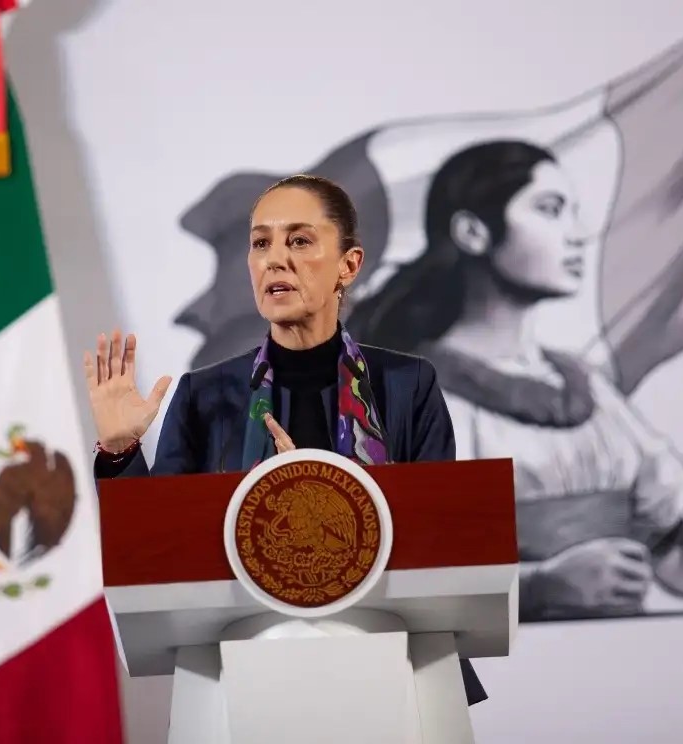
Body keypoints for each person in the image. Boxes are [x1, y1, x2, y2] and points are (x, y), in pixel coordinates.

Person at [83, 174, 487, 705]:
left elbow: (439, 547)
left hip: (389, 669)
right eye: (260, 243)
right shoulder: (207, 396)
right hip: (246, 676)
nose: (274, 259)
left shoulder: (407, 386)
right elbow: (159, 557)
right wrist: (119, 451)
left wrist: (317, 496)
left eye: (299, 240)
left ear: (349, 265)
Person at [345, 139, 683, 621]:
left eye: (574, 212)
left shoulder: (590, 392)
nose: (577, 235)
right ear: (473, 232)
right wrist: (540, 586)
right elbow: (395, 596)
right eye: (550, 210)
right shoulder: (419, 395)